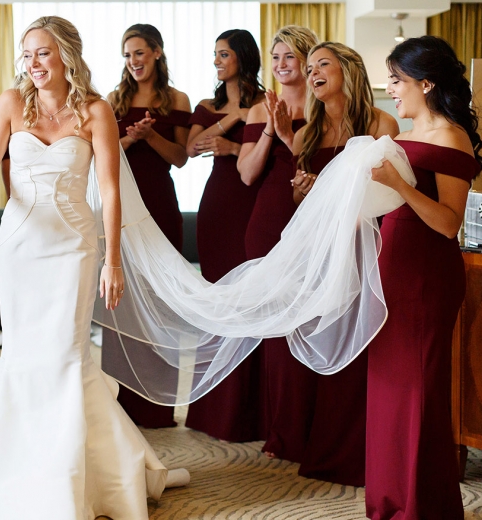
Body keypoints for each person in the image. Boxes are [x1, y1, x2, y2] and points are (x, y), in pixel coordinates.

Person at [0, 16, 189, 519]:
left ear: (66, 55)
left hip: (74, 249)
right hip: (20, 248)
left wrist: (113, 261)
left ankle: (77, 477)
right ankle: (10, 464)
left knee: (67, 356)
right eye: (27, 54)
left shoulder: (96, 111)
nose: (33, 64)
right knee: (23, 356)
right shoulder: (10, 102)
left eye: (42, 53)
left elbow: (109, 189)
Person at [365, 35, 482, 519]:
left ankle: (421, 505)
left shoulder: (452, 137)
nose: (391, 89)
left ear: (426, 83)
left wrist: (397, 184)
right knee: (388, 390)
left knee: (419, 390)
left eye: (397, 80)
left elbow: (449, 223)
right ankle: (390, 499)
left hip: (426, 276)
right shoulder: (403, 135)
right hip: (391, 265)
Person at [289, 41, 399, 487]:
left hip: (366, 248)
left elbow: (391, 194)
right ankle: (328, 450)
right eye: (309, 67)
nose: (312, 72)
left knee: (365, 342)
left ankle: (367, 456)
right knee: (330, 337)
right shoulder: (305, 136)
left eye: (322, 64)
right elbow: (300, 201)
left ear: (347, 71)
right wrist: (303, 190)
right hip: (322, 252)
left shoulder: (381, 125)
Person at [102, 23, 191, 429]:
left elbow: (181, 157)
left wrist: (151, 135)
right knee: (123, 303)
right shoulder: (113, 100)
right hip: (122, 208)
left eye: (139, 52)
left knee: (159, 300)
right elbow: (101, 155)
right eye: (127, 55)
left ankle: (158, 404)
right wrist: (130, 140)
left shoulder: (177, 99)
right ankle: (122, 403)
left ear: (156, 52)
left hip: (159, 203)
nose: (133, 61)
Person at [236, 25, 317, 462]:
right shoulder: (258, 109)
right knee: (277, 328)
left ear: (307, 61)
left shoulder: (326, 106)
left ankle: (315, 426)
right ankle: (282, 431)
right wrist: (271, 126)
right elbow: (247, 174)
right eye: (276, 57)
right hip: (269, 221)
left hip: (314, 218)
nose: (281, 65)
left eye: (290, 56)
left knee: (313, 320)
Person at [183, 28, 265, 442]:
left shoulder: (268, 102)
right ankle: (214, 410)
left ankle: (251, 412)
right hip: (218, 205)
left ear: (243, 57)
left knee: (252, 298)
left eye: (224, 54)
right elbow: (191, 148)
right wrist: (234, 118)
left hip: (255, 200)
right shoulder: (207, 105)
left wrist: (234, 146)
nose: (217, 61)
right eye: (215, 55)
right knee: (218, 299)